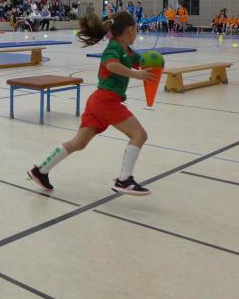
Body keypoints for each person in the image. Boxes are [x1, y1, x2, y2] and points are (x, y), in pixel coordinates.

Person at [27, 12, 157, 195]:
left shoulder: (126, 50)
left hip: (98, 102)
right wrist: (137, 74)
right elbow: (111, 65)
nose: (136, 33)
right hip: (106, 101)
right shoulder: (114, 47)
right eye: (136, 29)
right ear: (130, 29)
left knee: (78, 143)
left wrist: (154, 63)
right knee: (139, 134)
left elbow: (140, 62)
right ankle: (124, 180)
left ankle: (40, 171)